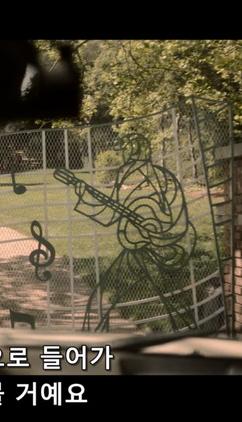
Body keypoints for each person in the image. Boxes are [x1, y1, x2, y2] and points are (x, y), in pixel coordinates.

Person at [54, 133, 196, 332]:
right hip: (133, 248)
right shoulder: (124, 177)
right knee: (111, 299)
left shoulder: (160, 177)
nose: (126, 155)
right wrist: (82, 192)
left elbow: (174, 215)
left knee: (166, 296)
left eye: (129, 149)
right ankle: (96, 336)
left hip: (154, 248)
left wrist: (153, 225)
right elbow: (110, 214)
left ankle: (184, 331)